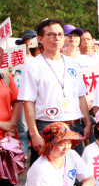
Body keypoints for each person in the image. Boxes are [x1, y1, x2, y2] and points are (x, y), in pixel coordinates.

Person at [22, 18, 92, 163]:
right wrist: (34, 134)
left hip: (74, 126)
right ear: (40, 39)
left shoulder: (73, 63)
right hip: (47, 126)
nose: (57, 38)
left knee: (74, 172)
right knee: (47, 170)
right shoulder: (33, 66)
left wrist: (87, 122)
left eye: (60, 34)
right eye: (52, 35)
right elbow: (28, 102)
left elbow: (80, 96)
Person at [0, 59, 22, 186]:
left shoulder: (6, 77)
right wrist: (2, 124)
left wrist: (12, 126)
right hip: (3, 130)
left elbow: (17, 102)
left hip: (5, 140)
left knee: (5, 184)